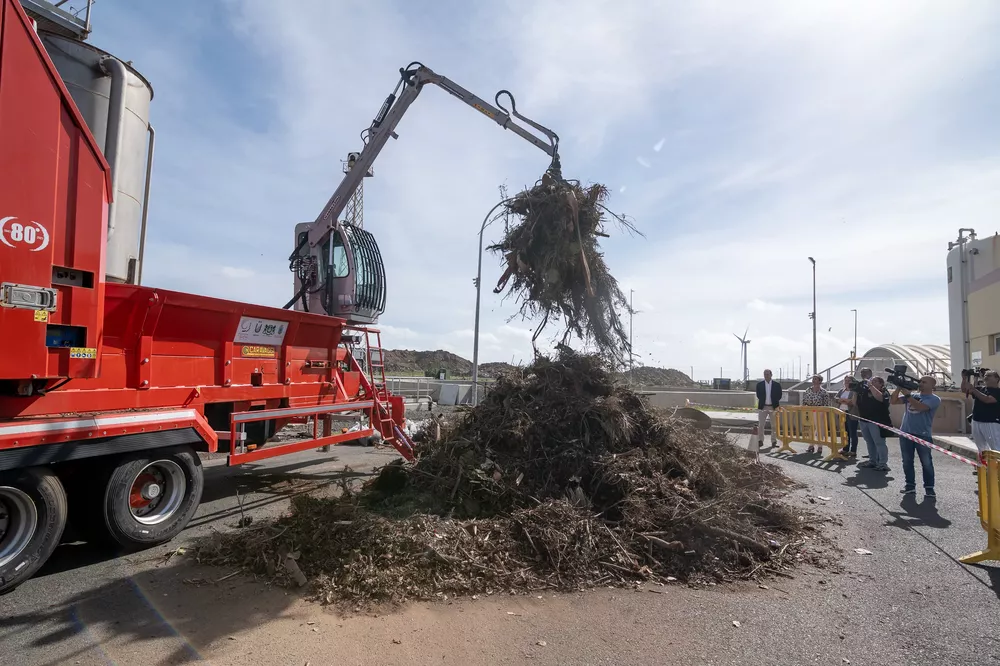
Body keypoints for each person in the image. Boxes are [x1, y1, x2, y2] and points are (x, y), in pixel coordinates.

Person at [891, 376, 941, 497]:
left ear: (932, 386)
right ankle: (910, 486)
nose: (921, 384)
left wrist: (908, 396)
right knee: (907, 462)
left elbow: (921, 407)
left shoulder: (934, 399)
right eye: (920, 382)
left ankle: (929, 488)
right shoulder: (913, 395)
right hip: (905, 433)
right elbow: (893, 401)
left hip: (922, 435)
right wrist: (899, 387)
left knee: (926, 462)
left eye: (924, 382)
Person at [855, 369, 892, 471]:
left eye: (875, 381)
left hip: (877, 420)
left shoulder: (884, 392)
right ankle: (872, 461)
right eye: (872, 381)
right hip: (864, 419)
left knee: (879, 442)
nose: (872, 382)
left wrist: (870, 385)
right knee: (869, 442)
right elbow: (857, 402)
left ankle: (883, 463)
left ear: (881, 384)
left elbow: (880, 398)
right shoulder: (866, 391)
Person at [963, 370, 1000, 462]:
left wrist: (974, 390)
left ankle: (997, 470)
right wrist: (964, 378)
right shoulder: (981, 389)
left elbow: (987, 399)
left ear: (997, 379)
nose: (986, 377)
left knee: (995, 446)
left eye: (989, 375)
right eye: (985, 375)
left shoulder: (997, 392)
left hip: (991, 422)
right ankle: (985, 468)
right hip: (977, 420)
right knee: (981, 446)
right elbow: (965, 390)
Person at [802, 375, 830, 454]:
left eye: (816, 379)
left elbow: (827, 403)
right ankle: (811, 445)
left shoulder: (823, 392)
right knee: (810, 429)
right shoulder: (808, 390)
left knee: (820, 429)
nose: (813, 380)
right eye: (813, 379)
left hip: (820, 412)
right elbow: (804, 400)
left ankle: (820, 447)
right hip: (810, 411)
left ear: (820, 381)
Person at [755, 369, 782, 450]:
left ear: (771, 375)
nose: (766, 375)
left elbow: (779, 395)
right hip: (763, 407)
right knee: (761, 425)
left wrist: (774, 402)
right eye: (765, 374)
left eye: (767, 374)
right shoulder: (759, 384)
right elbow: (758, 395)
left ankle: (774, 441)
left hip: (773, 407)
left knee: (774, 425)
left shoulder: (776, 385)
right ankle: (760, 440)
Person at [835, 376, 860, 459]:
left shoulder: (854, 392)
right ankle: (845, 449)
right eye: (845, 381)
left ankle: (853, 450)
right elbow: (836, 398)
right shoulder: (842, 390)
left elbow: (852, 402)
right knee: (845, 433)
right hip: (842, 413)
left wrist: (842, 400)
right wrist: (843, 400)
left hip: (851, 414)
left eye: (849, 381)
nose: (847, 382)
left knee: (852, 433)